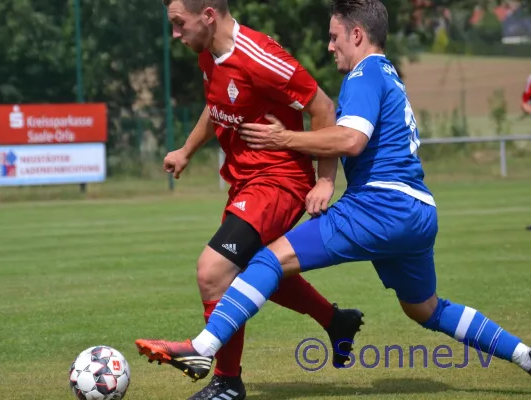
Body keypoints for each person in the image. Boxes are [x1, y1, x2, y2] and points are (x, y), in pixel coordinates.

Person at [135, 0, 531, 382]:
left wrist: (285, 139)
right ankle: (524, 355)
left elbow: (350, 140)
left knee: (266, 261)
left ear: (356, 35)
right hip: (418, 210)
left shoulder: (363, 75)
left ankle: (204, 347)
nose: (329, 46)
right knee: (426, 310)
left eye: (334, 36)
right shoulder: (389, 73)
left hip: (379, 206)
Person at [152, 1, 365, 398]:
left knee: (213, 270)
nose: (176, 34)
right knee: (255, 267)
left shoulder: (261, 56)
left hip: (279, 182)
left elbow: (322, 108)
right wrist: (186, 150)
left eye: (180, 25)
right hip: (246, 183)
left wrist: (324, 181)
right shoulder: (209, 56)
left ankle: (227, 382)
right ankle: (336, 321)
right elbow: (217, 107)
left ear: (209, 15)